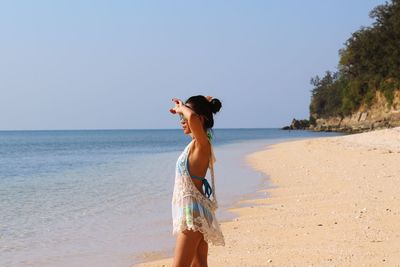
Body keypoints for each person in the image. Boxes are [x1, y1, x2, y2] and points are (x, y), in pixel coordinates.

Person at [169, 95, 225, 267]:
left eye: (183, 116)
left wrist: (182, 108)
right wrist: (201, 105)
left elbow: (193, 117)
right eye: (180, 117)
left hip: (193, 214)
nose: (182, 120)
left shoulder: (203, 145)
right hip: (196, 211)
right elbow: (196, 117)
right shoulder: (197, 143)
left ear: (200, 118)